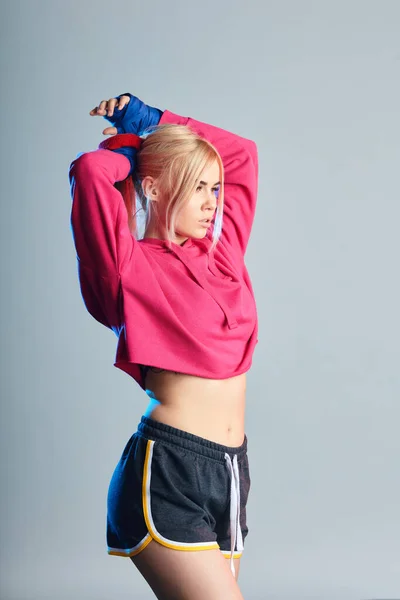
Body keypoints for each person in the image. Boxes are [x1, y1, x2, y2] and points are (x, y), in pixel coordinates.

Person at [68, 92, 259, 600]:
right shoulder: (126, 268)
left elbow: (241, 154)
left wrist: (150, 119)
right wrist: (133, 151)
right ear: (151, 186)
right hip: (170, 471)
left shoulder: (223, 256)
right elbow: (90, 173)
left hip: (230, 469)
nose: (212, 201)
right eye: (196, 187)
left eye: (214, 188)